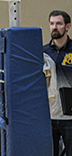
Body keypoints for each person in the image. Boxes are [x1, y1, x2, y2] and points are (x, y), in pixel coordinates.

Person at [43, 10, 72, 156]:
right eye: (52, 23)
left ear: (68, 27)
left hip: (70, 116)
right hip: (48, 114)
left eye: (59, 24)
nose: (54, 27)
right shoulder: (42, 52)